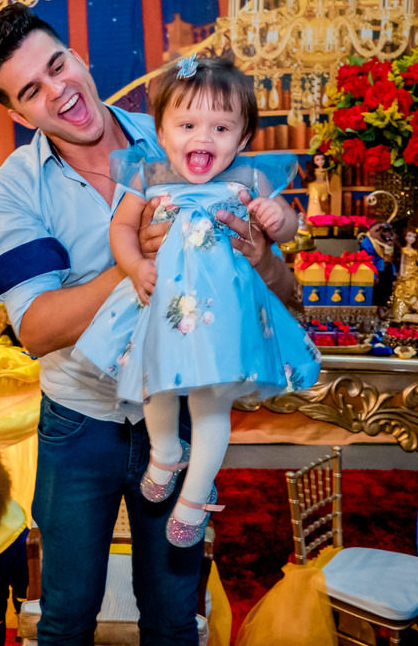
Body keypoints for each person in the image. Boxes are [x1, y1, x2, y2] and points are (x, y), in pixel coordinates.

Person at [0, 3, 297, 645]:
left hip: (179, 406)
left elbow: (285, 295)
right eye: (31, 91)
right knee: (64, 620)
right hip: (78, 424)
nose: (58, 92)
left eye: (57, 66)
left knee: (174, 619)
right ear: (18, 115)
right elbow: (36, 328)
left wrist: (261, 255)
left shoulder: (184, 131)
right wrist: (137, 264)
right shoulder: (14, 189)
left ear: (78, 56)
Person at [75, 54, 320, 547]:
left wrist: (279, 220)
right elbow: (121, 228)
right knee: (155, 384)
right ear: (162, 133)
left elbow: (290, 227)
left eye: (221, 128)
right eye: (187, 125)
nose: (203, 138)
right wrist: (135, 266)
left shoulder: (248, 180)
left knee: (212, 403)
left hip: (224, 311)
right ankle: (167, 452)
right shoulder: (149, 174)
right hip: (166, 304)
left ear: (243, 138)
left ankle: (194, 497)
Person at [304, 152, 340, 236]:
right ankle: (313, 222)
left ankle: (323, 223)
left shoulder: (326, 171)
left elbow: (327, 181)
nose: (320, 162)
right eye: (317, 160)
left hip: (324, 190)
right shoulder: (313, 172)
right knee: (315, 205)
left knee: (324, 205)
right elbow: (310, 183)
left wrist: (329, 190)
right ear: (314, 161)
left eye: (322, 159)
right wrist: (310, 190)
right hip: (315, 190)